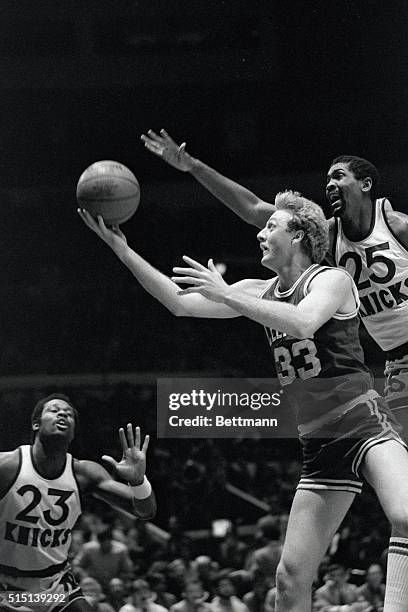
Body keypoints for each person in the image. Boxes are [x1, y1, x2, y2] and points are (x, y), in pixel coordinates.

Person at [79, 191, 408, 612]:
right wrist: (122, 250)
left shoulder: (331, 280)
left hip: (362, 422)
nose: (261, 233)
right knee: (290, 579)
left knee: (402, 514)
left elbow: (303, 321)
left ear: (301, 236)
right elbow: (179, 304)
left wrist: (227, 294)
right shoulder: (258, 288)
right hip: (318, 444)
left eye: (272, 226)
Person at [140, 131, 408, 420]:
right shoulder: (329, 235)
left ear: (366, 184)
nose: (330, 184)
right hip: (397, 358)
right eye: (328, 179)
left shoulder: (397, 226)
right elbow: (253, 208)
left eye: (339, 177)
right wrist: (193, 166)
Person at [0, 393, 156, 612]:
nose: (63, 413)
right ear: (36, 423)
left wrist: (138, 481)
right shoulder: (7, 466)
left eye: (69, 413)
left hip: (55, 584)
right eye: (54, 410)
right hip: (7, 586)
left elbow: (145, 511)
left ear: (72, 433)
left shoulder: (83, 473)